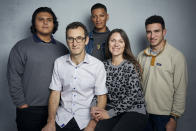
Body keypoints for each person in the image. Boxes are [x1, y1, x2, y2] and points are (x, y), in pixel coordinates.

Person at [7, 7, 69, 131]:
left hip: (58, 109)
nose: (45, 22)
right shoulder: (21, 47)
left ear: (54, 24)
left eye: (49, 20)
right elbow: (13, 77)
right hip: (29, 110)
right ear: (34, 23)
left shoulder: (63, 49)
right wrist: (22, 105)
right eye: (41, 19)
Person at [41, 22, 107, 131]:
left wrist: (92, 124)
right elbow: (55, 93)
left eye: (79, 38)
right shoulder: (59, 63)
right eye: (70, 39)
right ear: (67, 41)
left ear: (86, 40)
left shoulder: (97, 65)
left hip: (86, 120)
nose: (74, 43)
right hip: (62, 118)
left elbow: (101, 97)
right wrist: (50, 121)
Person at [137, 15, 188, 131]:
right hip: (143, 114)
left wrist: (174, 117)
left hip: (164, 117)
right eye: (149, 32)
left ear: (164, 32)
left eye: (156, 31)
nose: (152, 36)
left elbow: (180, 88)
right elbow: (137, 86)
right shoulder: (141, 56)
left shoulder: (176, 56)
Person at [92, 29, 147, 131]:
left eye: (120, 41)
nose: (116, 44)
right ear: (108, 43)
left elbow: (133, 97)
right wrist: (93, 106)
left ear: (125, 45)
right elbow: (97, 90)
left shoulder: (131, 66)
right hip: (113, 108)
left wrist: (109, 113)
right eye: (113, 40)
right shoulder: (103, 66)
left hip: (134, 110)